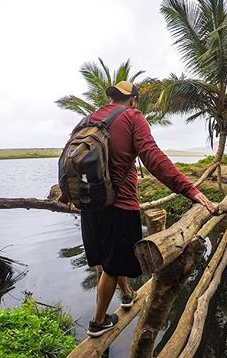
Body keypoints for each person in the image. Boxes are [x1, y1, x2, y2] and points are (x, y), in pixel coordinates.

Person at [65, 80, 215, 337]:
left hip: (90, 204)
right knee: (112, 266)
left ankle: (126, 294)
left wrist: (68, 193)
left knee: (109, 258)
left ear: (111, 98)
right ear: (134, 100)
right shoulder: (133, 117)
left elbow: (71, 161)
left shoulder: (86, 121)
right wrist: (190, 190)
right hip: (120, 205)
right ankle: (98, 323)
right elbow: (154, 158)